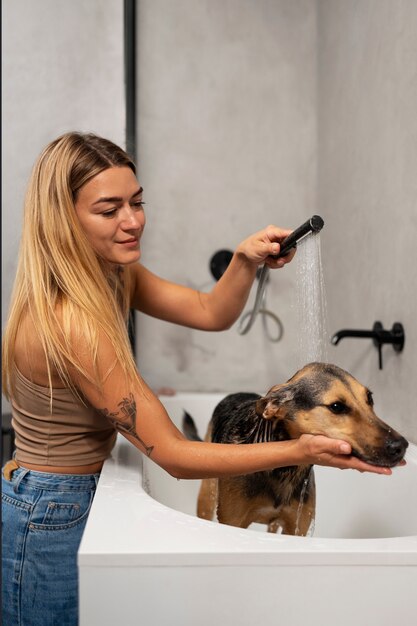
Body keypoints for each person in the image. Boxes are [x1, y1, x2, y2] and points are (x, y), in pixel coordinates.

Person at [1, 132, 394, 626]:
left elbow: (210, 312)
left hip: (78, 496)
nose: (133, 221)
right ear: (63, 218)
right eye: (109, 210)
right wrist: (303, 450)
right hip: (50, 513)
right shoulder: (70, 322)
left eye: (137, 202)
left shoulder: (113, 275)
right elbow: (174, 455)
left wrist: (244, 260)